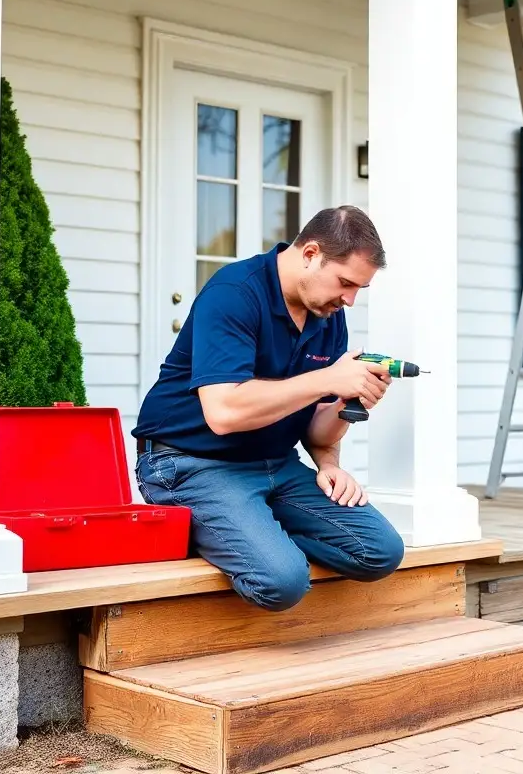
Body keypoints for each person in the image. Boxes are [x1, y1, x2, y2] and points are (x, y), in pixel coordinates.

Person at [132, 205, 406, 612]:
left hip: (275, 463)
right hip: (190, 463)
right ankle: (218, 530)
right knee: (282, 580)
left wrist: (331, 455)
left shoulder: (326, 314)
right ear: (311, 254)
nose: (348, 300)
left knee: (381, 550)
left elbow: (315, 429)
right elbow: (224, 413)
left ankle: (252, 534)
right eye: (345, 283)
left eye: (358, 290)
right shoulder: (234, 294)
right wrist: (327, 379)